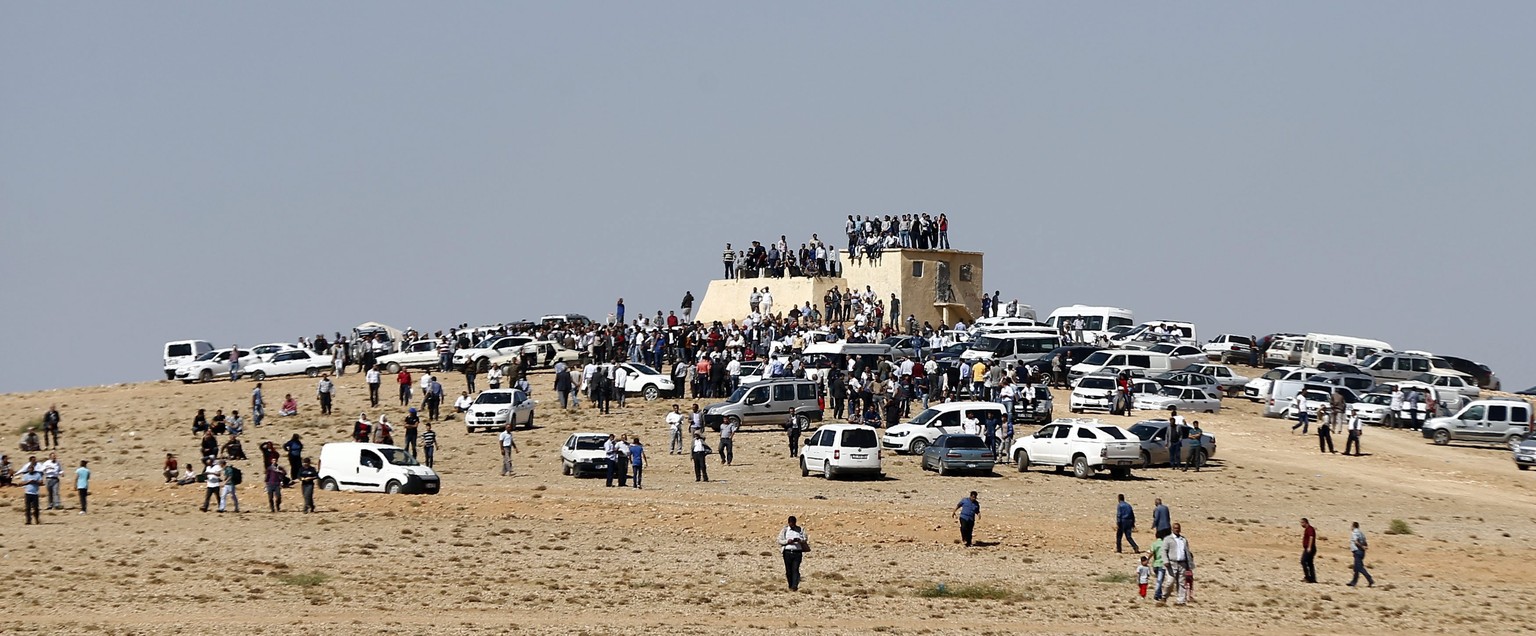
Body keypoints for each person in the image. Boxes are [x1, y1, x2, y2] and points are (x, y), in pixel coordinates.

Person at [1160, 523, 1190, 605]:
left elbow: (1187, 552)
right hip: (1171, 564)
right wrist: (1165, 561)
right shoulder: (1168, 539)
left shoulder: (1183, 540)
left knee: (1181, 582)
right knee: (1170, 581)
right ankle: (1164, 597)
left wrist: (1189, 564)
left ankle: (1181, 601)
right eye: (1175, 528)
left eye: (1178, 528)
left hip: (1182, 564)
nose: (1177, 529)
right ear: (1172, 529)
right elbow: (1163, 551)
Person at [777, 516, 809, 591]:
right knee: (788, 570)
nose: (792, 524)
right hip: (787, 552)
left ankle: (794, 586)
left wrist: (799, 540)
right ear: (788, 522)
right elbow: (779, 540)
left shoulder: (801, 529)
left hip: (797, 552)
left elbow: (805, 538)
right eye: (790, 523)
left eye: (793, 523)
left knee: (795, 569)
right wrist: (787, 541)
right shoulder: (785, 530)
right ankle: (790, 584)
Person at [1348, 521, 1374, 587]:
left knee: (1360, 568)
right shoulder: (1361, 533)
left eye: (1351, 526)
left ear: (1353, 526)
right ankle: (1353, 582)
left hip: (1357, 551)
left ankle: (1370, 579)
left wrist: (1361, 546)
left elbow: (1356, 541)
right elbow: (1365, 541)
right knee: (1356, 568)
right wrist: (1365, 546)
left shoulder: (1354, 533)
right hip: (1362, 552)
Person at [19, 457, 42, 524]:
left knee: (36, 508)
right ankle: (28, 520)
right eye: (29, 469)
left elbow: (41, 482)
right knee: (27, 508)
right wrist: (28, 482)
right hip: (28, 493)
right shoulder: (25, 475)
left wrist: (35, 482)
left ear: (33, 469)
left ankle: (37, 519)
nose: (30, 470)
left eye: (31, 469)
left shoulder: (38, 475)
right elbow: (22, 483)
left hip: (35, 493)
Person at [1300, 518, 1317, 583]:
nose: (1301, 524)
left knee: (1303, 561)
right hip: (1308, 548)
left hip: (1310, 548)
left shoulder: (1310, 529)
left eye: (1302, 523)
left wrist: (1309, 547)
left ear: (1305, 522)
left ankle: (1308, 577)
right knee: (1310, 563)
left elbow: (1311, 537)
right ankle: (1312, 578)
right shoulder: (1307, 529)